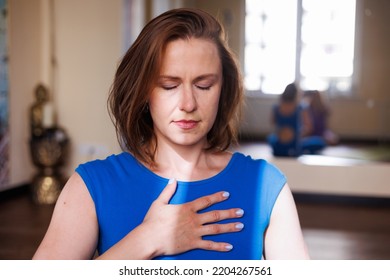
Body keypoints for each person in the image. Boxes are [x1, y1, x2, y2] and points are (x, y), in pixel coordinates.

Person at [33, 8, 309, 260]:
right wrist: (146, 239)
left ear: (223, 90)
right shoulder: (91, 185)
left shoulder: (267, 185)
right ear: (143, 91)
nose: (188, 104)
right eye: (168, 85)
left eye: (204, 85)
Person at [268, 83, 325, 157]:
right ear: (296, 94)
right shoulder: (300, 108)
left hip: (278, 148)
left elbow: (273, 124)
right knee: (320, 142)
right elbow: (309, 128)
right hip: (294, 147)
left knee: (271, 138)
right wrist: (297, 135)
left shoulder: (276, 108)